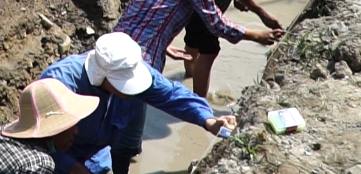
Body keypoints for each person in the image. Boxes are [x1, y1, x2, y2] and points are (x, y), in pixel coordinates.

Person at [111, 0, 283, 170]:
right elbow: (217, 23)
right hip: (138, 64)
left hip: (113, 50)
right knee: (128, 133)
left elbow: (140, 16)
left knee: (117, 118)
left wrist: (162, 44)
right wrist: (256, 34)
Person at [39, 32, 235, 174]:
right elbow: (40, 141)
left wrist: (208, 120)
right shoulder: (59, 83)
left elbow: (172, 95)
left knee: (123, 155)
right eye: (122, 85)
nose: (130, 90)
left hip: (100, 155)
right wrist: (74, 169)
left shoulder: (130, 67)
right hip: (61, 159)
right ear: (101, 76)